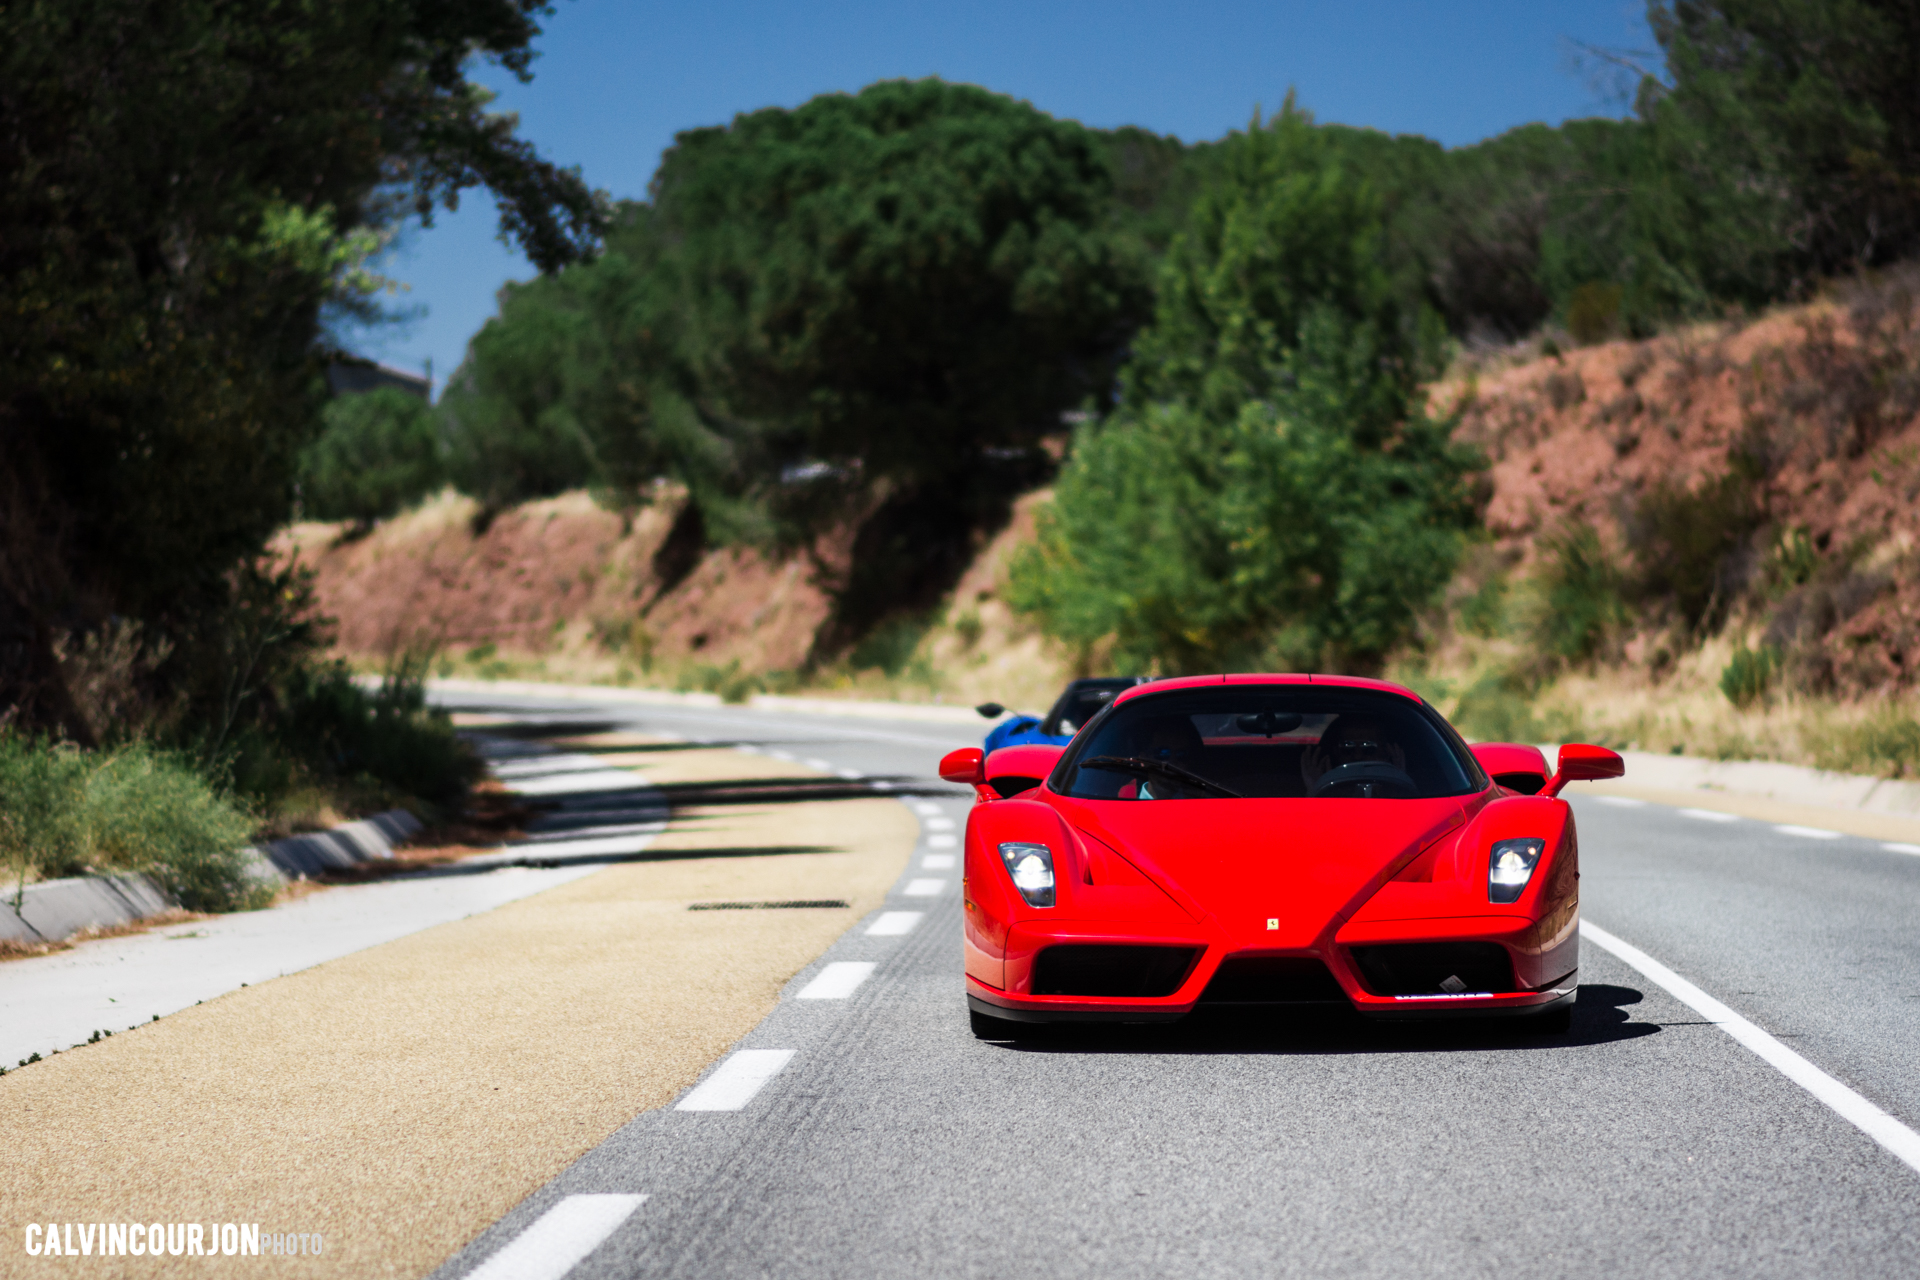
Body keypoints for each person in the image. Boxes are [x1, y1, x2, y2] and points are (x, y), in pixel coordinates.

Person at [1300, 714, 1406, 791]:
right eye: (1347, 747)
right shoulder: (1326, 792)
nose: (1357, 756)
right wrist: (1317, 788)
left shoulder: (1399, 792)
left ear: (1386, 752)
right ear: (1335, 752)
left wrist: (1399, 782)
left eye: (1368, 748)